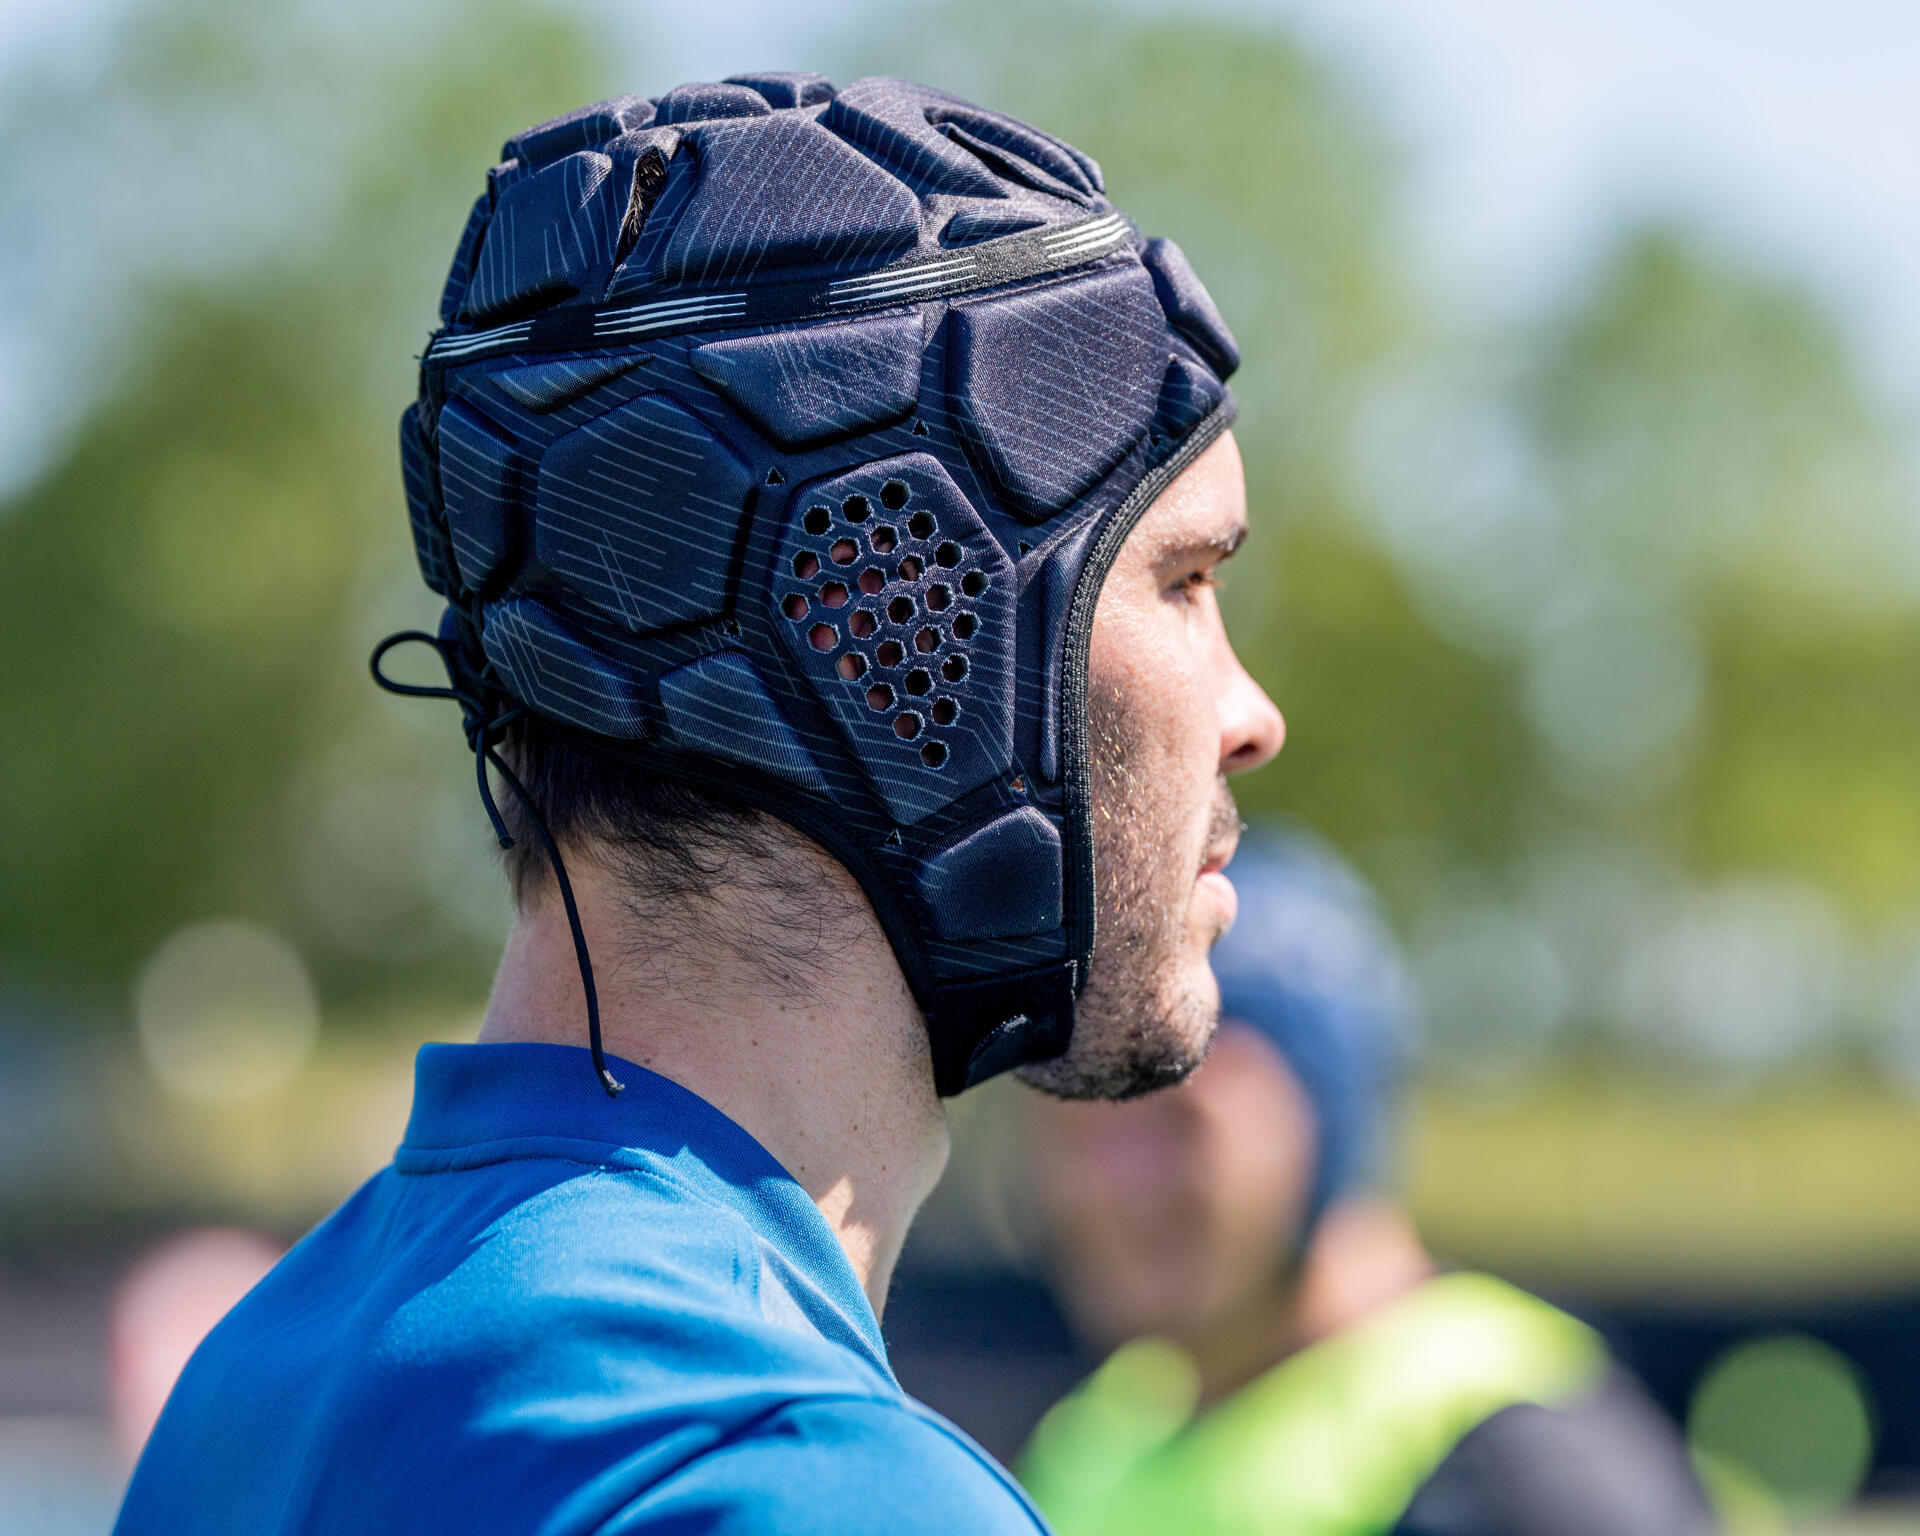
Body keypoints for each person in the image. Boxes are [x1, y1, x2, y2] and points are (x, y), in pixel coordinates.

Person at [114, 73, 1283, 1534]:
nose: (1252, 716)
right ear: (895, 628)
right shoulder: (798, 1486)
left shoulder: (262, 1383)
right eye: (1184, 582)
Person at [1019, 826, 1719, 1536]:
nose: (1115, 1184)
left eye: (1179, 1128)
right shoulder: (1092, 1439)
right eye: (1077, 1134)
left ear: (1329, 1124)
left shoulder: (1527, 1467)